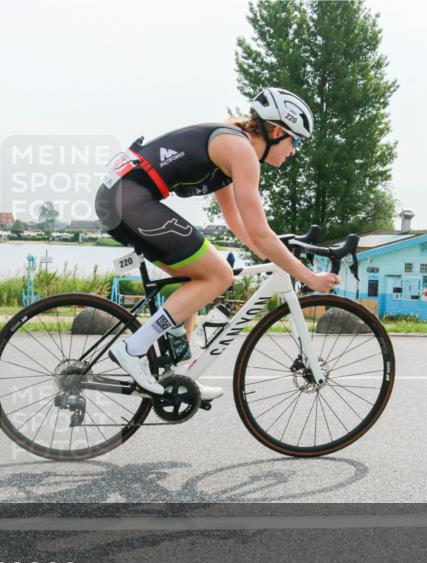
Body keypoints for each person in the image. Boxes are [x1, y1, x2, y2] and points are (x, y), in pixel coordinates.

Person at [95, 87, 340, 398]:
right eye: (296, 141)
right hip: (129, 200)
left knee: (202, 278)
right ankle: (134, 349)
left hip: (121, 198)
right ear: (277, 131)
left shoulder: (230, 150)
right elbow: (261, 232)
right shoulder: (241, 152)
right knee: (219, 275)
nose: (294, 151)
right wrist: (309, 277)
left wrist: (272, 257)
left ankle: (177, 376)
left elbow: (242, 226)